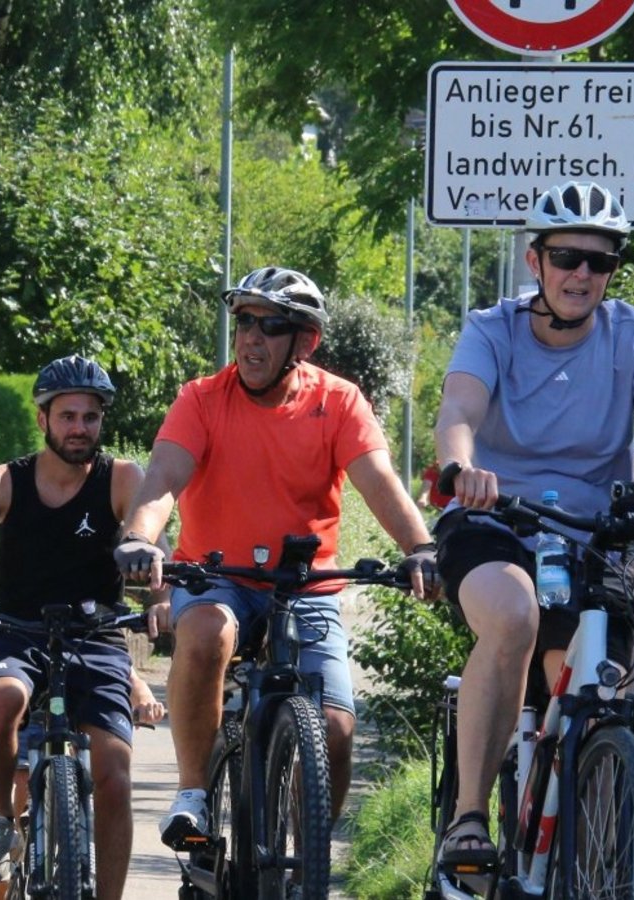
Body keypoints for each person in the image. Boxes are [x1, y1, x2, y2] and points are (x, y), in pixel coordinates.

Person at [431, 180, 634, 868]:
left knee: (599, 687)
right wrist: (463, 468)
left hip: (590, 537)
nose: (582, 274)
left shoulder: (629, 334)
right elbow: (459, 409)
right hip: (495, 522)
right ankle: (469, 819)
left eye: (599, 261)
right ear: (535, 261)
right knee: (513, 616)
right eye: (566, 257)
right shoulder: (493, 330)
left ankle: (584, 848)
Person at [113, 266, 436, 847]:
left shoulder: (338, 402)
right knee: (207, 632)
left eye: (271, 326)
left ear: (305, 341)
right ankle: (193, 795)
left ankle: (304, 862)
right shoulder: (201, 399)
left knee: (335, 728)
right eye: (244, 322)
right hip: (218, 578)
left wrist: (421, 549)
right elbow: (163, 478)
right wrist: (139, 536)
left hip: (304, 586)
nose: (251, 338)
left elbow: (379, 482)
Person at [0, 354, 160, 900]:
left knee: (115, 773)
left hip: (97, 638)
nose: (80, 428)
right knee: (0, 698)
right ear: (43, 419)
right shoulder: (3, 481)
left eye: (90, 417)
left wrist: (163, 600)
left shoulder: (122, 478)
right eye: (67, 416)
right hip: (19, 632)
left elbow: (154, 549)